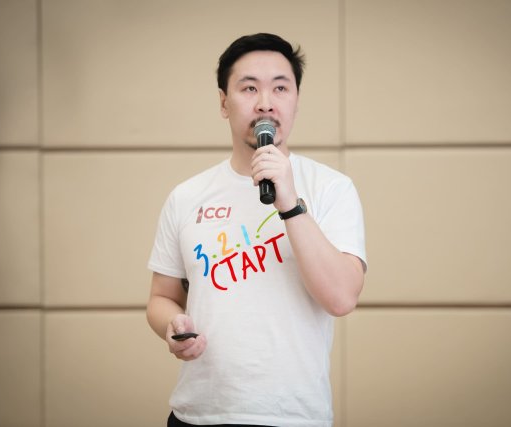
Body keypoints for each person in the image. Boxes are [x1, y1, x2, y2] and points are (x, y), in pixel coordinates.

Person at [146, 33, 367, 427]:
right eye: (249, 88)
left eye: (280, 88)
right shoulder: (187, 197)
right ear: (223, 102)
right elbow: (162, 298)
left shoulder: (331, 188)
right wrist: (172, 326)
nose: (266, 102)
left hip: (293, 416)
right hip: (198, 414)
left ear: (296, 100)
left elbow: (341, 298)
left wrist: (290, 203)